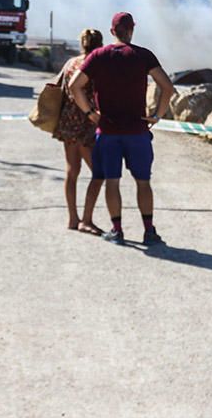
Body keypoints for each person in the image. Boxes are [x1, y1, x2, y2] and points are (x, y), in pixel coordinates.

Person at [69, 12, 175, 246]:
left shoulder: (98, 56)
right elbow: (167, 87)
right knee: (143, 182)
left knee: (112, 181)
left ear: (112, 31)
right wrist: (157, 115)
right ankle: (149, 231)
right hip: (137, 131)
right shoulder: (143, 55)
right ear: (132, 30)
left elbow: (74, 85)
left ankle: (117, 230)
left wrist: (90, 113)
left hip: (107, 132)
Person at [53, 28, 106, 234]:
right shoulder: (97, 66)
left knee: (72, 171)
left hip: (67, 122)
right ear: (99, 45)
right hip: (87, 123)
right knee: (98, 173)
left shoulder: (70, 63)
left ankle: (73, 218)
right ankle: (87, 219)